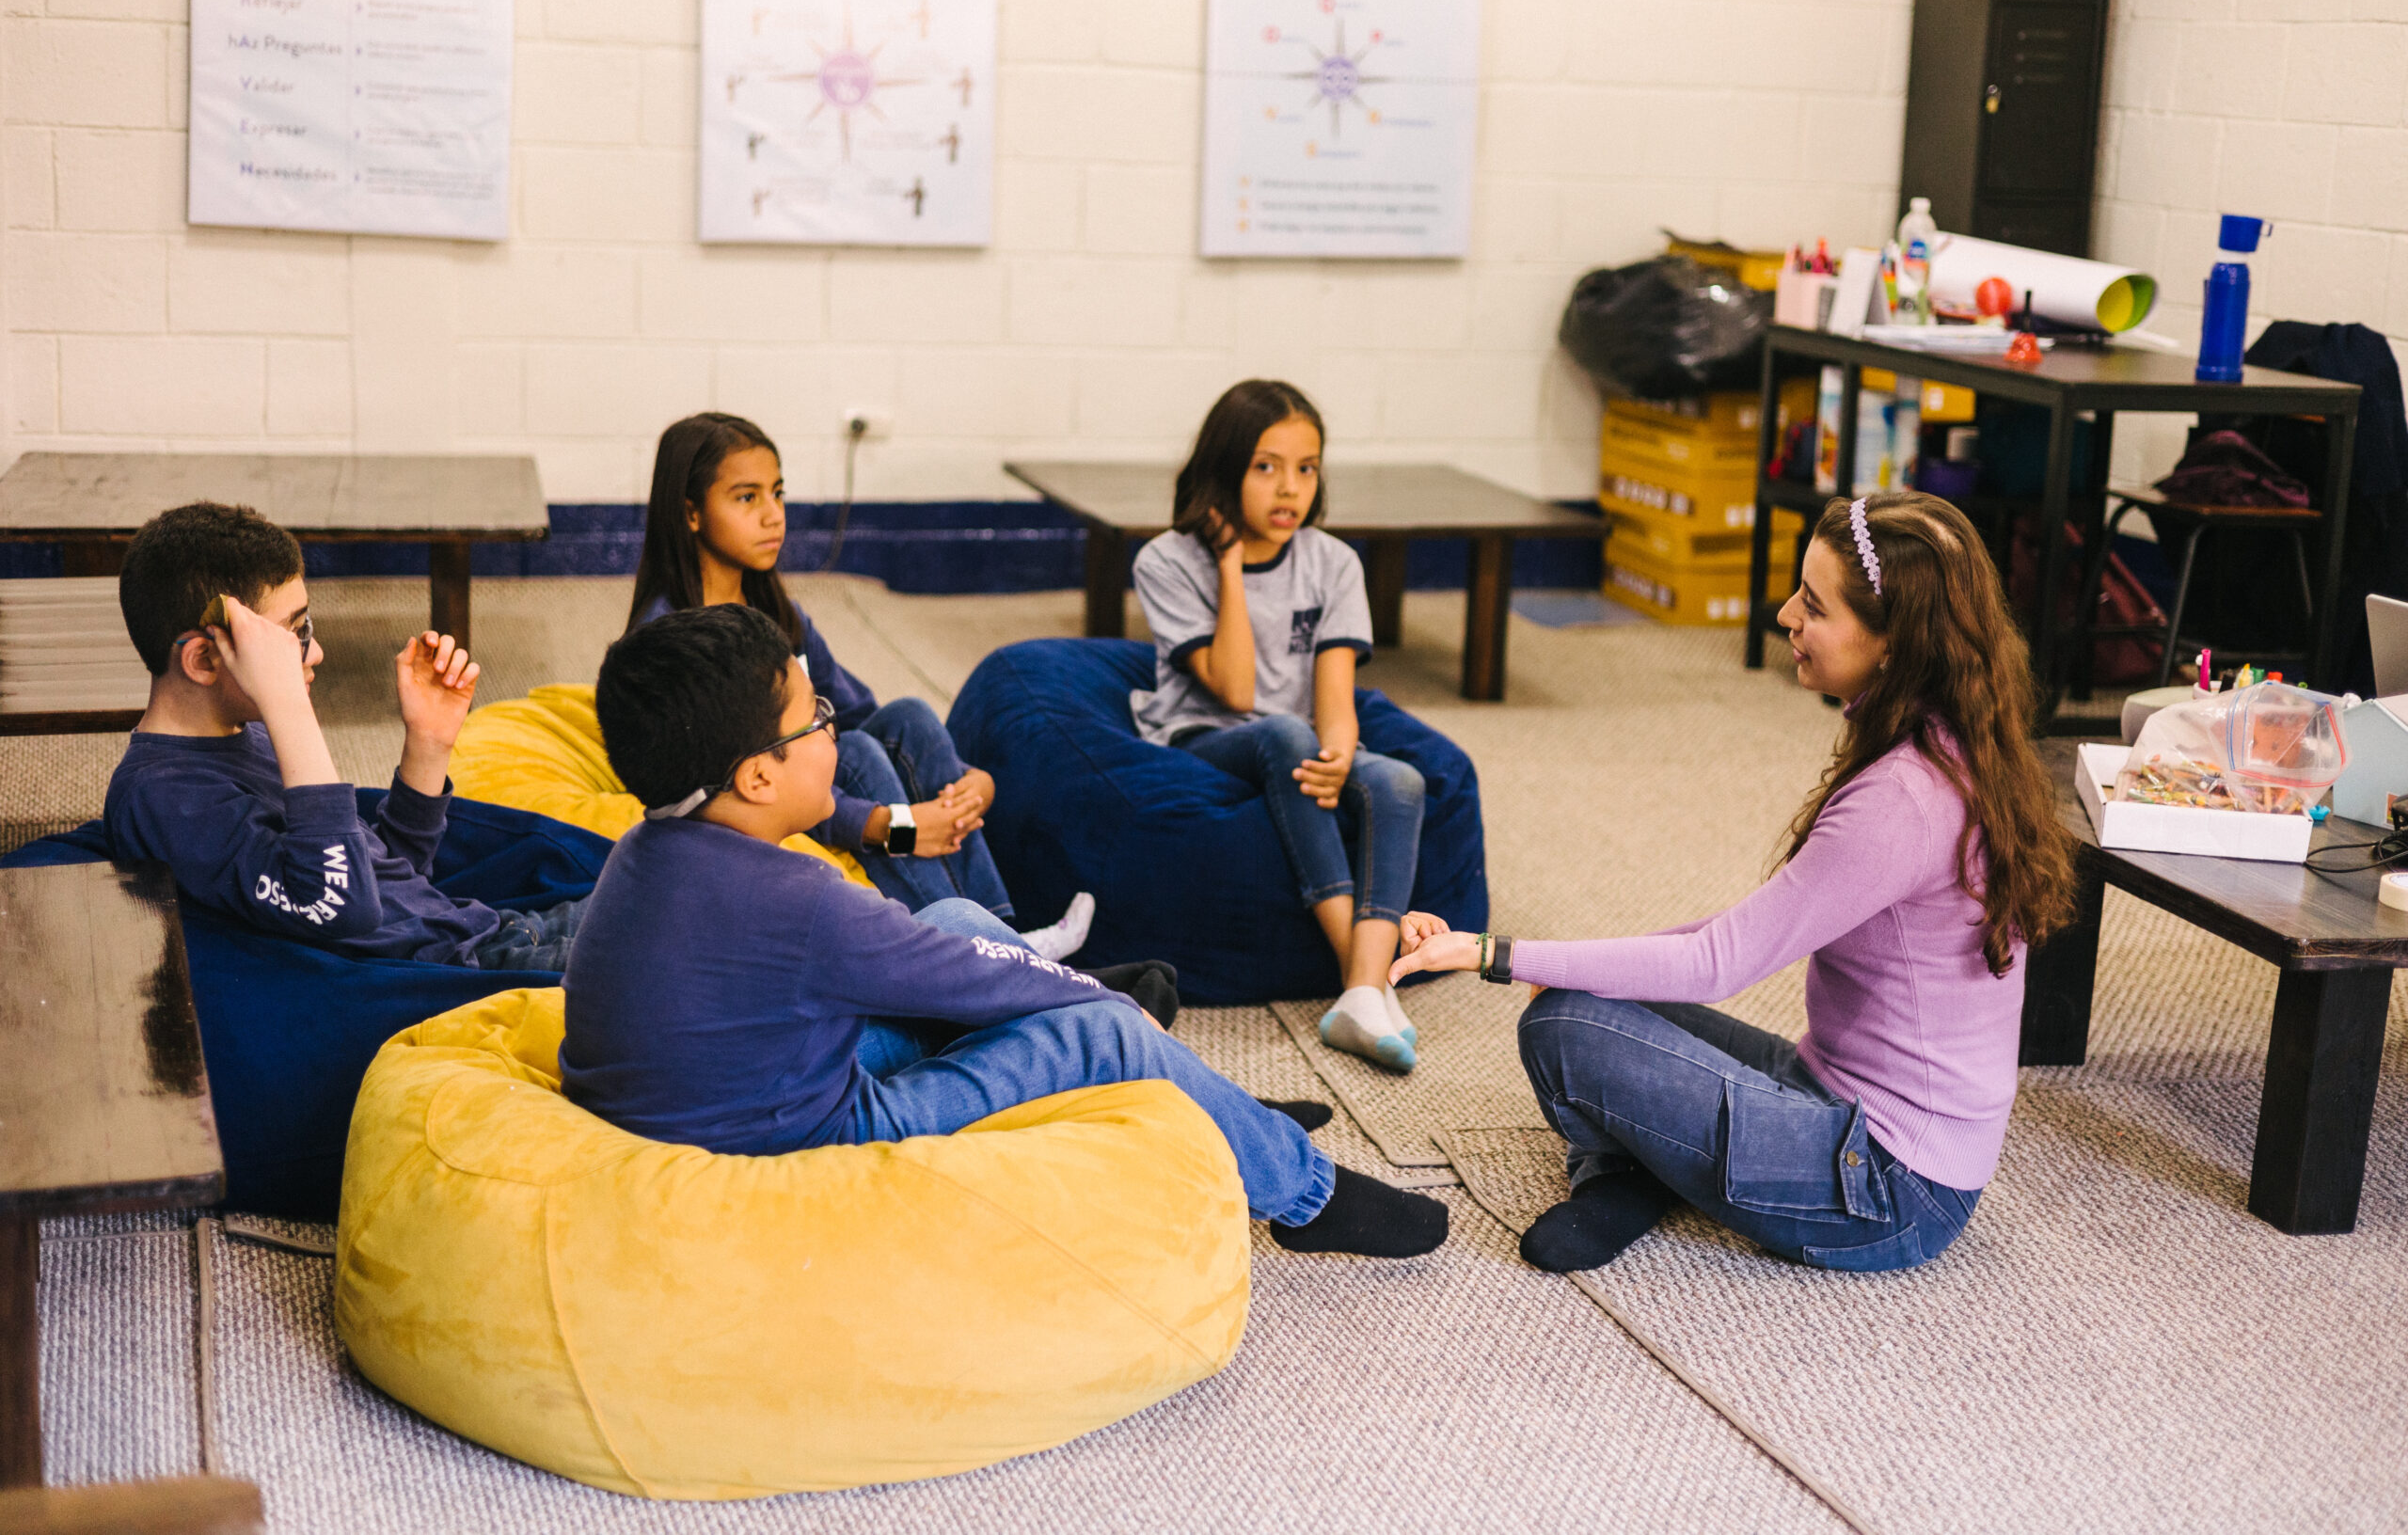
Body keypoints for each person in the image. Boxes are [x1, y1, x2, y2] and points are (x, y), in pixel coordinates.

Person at [562, 603, 1448, 1258]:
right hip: (807, 1134)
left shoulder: (647, 846)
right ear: (758, 775)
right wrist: (1102, 1003)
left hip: (729, 1084)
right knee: (1097, 1030)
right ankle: (1306, 1193)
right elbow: (980, 982)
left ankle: (1221, 1109)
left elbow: (942, 950)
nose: (837, 726)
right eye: (820, 718)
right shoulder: (800, 900)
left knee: (951, 913)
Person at [1391, 492, 2079, 1274]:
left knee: (1561, 1029)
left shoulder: (1903, 799)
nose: (1785, 614)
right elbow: (1728, 932)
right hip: (1833, 1095)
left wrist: (1493, 953)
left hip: (1889, 1188)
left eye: (1813, 606)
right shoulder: (1949, 740)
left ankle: (1632, 1171)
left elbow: (1720, 962)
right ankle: (1645, 1172)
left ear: (1894, 643)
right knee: (1587, 996)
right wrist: (1544, 958)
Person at [627, 412, 1093, 962]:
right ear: (691, 513)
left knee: (909, 716)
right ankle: (964, 953)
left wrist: (968, 782)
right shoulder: (674, 637)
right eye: (747, 498)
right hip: (763, 798)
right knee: (857, 750)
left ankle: (1002, 935)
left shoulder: (779, 612)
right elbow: (737, 782)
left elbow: (860, 710)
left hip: (818, 779)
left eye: (778, 494)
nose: (774, 516)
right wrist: (895, 827)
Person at [102, 501, 585, 971]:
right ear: (205, 660)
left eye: (306, 626)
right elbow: (341, 907)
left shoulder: (247, 734)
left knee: (655, 881)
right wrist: (288, 707)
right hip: (474, 968)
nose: (316, 654)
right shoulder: (166, 801)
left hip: (493, 930)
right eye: (291, 637)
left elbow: (390, 874)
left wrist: (428, 742)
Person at [1129, 380, 1429, 1072]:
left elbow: (1335, 696)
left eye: (1306, 467)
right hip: (1200, 738)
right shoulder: (1166, 560)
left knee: (1401, 779)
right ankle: (1372, 980)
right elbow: (1233, 689)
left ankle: (1359, 990)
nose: (1289, 487)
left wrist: (1339, 756)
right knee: (1284, 736)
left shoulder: (1334, 562)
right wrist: (1230, 562)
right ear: (1225, 467)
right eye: (1266, 466)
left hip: (1296, 739)